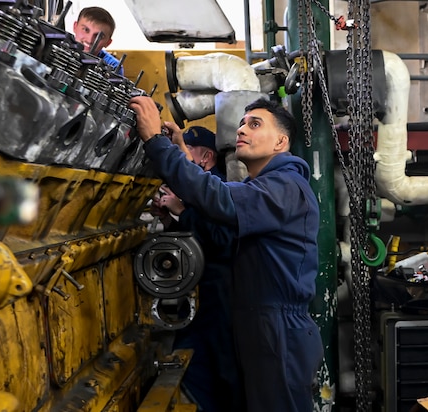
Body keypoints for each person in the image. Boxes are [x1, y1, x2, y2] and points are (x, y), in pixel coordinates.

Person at [129, 95, 323, 412]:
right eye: (242, 123)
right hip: (260, 327)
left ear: (281, 142)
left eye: (255, 124)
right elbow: (218, 209)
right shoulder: (264, 187)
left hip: (278, 332)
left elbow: (218, 198)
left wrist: (154, 140)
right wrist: (181, 153)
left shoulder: (286, 187)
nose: (242, 130)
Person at [150, 124, 242, 412]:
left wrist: (182, 211)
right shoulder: (205, 193)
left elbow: (221, 241)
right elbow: (200, 240)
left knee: (223, 372)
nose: (181, 164)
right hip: (206, 299)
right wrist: (171, 221)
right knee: (196, 365)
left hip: (222, 297)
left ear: (205, 158)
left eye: (186, 151)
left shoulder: (219, 191)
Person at [72, 6, 123, 75]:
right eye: (86, 30)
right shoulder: (57, 45)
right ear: (75, 27)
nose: (89, 40)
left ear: (108, 43)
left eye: (100, 36)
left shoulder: (113, 66)